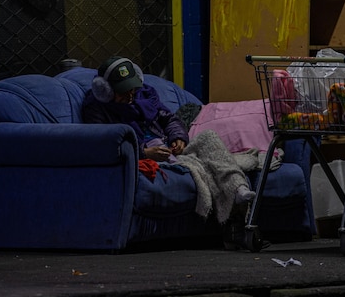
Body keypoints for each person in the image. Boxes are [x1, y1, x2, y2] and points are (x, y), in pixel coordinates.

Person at [81, 56, 256, 225]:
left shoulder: (145, 96)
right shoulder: (96, 109)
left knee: (208, 137)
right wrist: (144, 153)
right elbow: (105, 145)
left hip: (167, 148)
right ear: (105, 91)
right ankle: (232, 198)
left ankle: (239, 188)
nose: (130, 94)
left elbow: (169, 119)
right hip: (149, 154)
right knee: (202, 165)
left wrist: (178, 138)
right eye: (122, 91)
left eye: (131, 88)